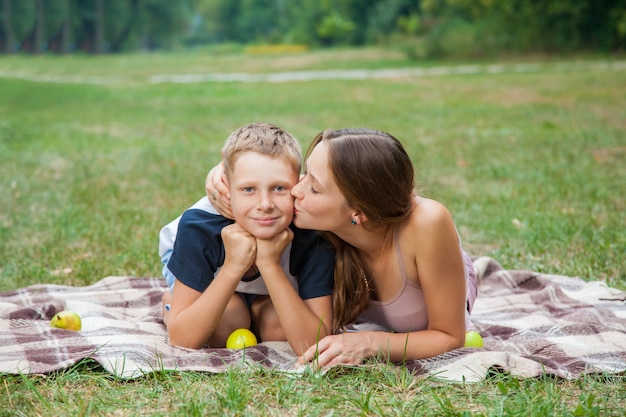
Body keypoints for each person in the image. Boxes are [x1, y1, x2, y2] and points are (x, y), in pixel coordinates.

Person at [207, 127, 478, 370]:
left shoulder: (427, 223)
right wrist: (220, 174)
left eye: (313, 186)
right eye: (305, 176)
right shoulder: (321, 217)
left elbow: (450, 336)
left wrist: (368, 343)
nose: (295, 190)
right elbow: (263, 170)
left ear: (358, 211)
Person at [159, 123, 334, 355]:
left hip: (270, 284)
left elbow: (314, 346)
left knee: (278, 328)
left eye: (279, 188)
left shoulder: (311, 230)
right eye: (248, 189)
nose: (265, 205)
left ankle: (258, 308)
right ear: (226, 190)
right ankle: (172, 302)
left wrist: (269, 264)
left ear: (298, 185)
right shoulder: (199, 227)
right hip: (211, 274)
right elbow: (182, 340)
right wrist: (233, 265)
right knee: (228, 321)